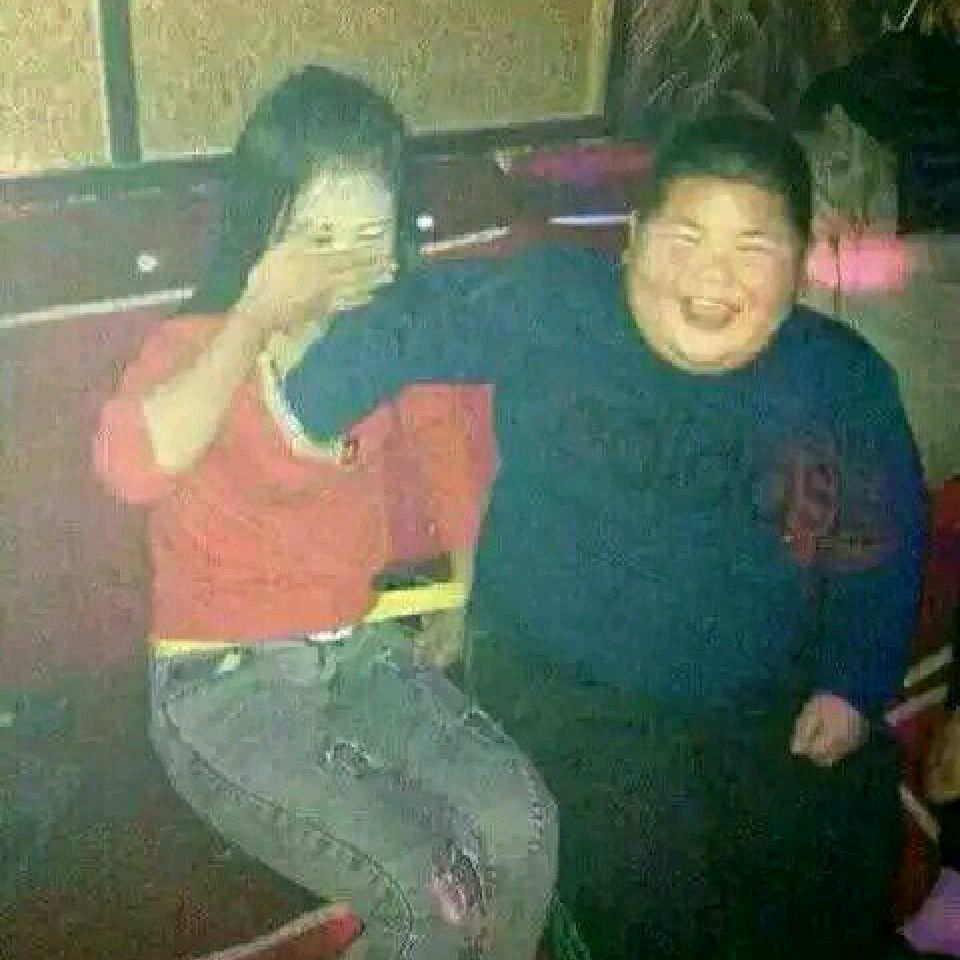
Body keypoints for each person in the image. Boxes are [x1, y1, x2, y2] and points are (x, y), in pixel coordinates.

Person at [281, 112, 928, 959]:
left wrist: (852, 683)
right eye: (686, 237)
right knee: (649, 876)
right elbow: (422, 313)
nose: (713, 276)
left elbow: (878, 539)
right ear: (632, 239)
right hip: (560, 676)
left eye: (754, 247)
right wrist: (309, 397)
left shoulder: (840, 379)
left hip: (758, 690)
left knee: (833, 849)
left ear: (802, 263)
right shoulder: (560, 303)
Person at [94, 65, 556, 960]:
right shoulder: (190, 345)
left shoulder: (386, 335)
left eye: (369, 236)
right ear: (261, 232)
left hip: (362, 655)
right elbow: (132, 469)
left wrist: (469, 589)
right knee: (430, 895)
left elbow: (446, 437)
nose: (344, 266)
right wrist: (252, 318)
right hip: (221, 687)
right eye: (316, 239)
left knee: (525, 828)